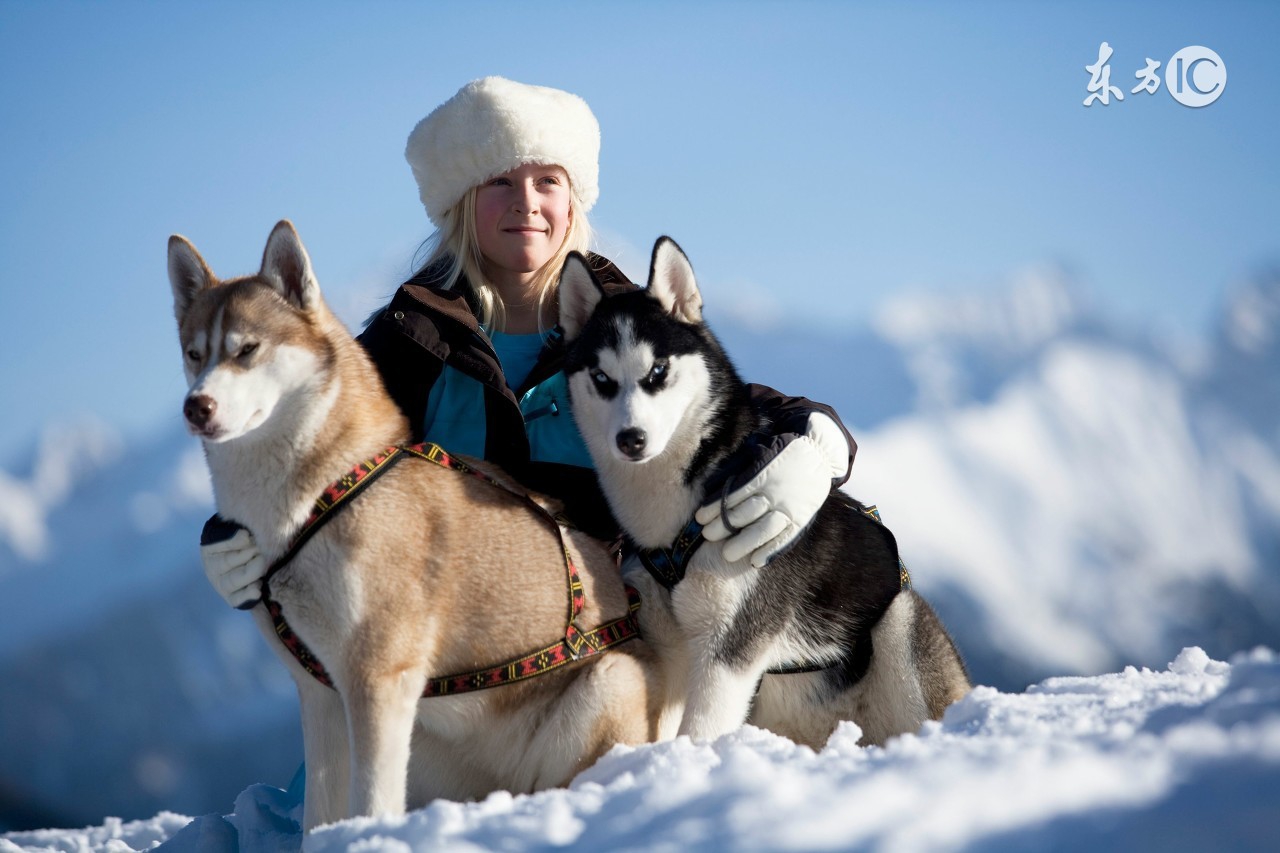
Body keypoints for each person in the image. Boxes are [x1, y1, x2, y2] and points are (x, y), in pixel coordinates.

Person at [201, 76, 858, 613]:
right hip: (455, 670)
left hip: (622, 655)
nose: (527, 202)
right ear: (462, 203)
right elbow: (301, 454)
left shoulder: (639, 332)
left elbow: (752, 413)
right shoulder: (406, 347)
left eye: (548, 181)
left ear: (574, 203)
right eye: (500, 182)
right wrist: (233, 532)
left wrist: (816, 446)